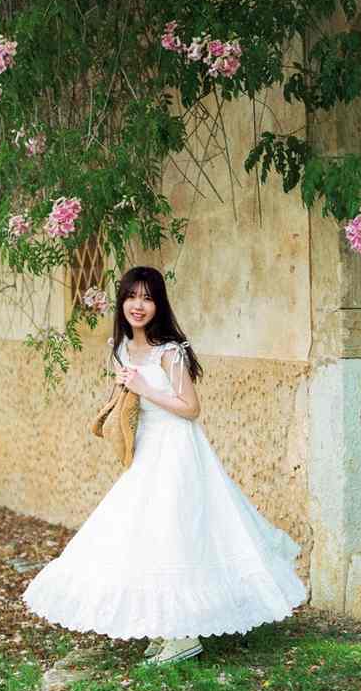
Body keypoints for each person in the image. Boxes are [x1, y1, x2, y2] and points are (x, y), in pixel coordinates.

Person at [21, 265, 308, 666]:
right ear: (121, 302)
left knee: (176, 531)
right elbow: (127, 397)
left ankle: (184, 635)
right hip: (146, 451)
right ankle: (169, 625)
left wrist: (145, 388)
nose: (138, 305)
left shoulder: (170, 351)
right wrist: (123, 390)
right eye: (131, 297)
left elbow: (190, 408)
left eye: (148, 298)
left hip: (177, 450)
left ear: (159, 304)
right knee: (146, 533)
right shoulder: (120, 348)